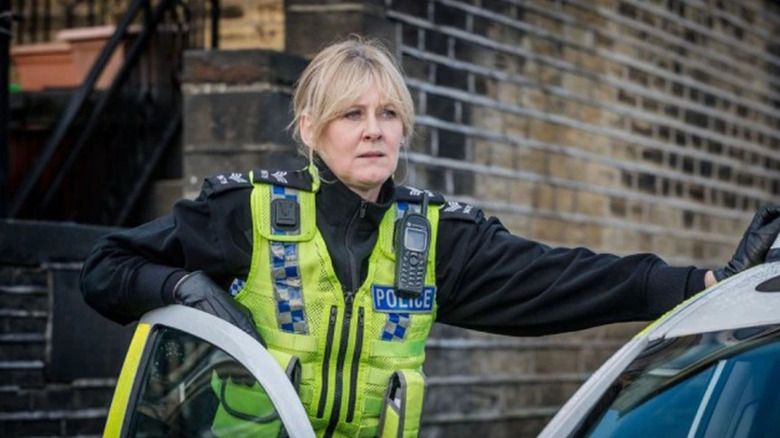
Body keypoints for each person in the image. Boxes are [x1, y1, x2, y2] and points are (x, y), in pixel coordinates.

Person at [81, 37, 780, 438]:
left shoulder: (434, 237)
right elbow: (104, 267)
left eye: (389, 113)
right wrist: (180, 285)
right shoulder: (246, 212)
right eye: (351, 113)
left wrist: (701, 286)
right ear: (310, 128)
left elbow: (560, 279)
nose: (374, 129)